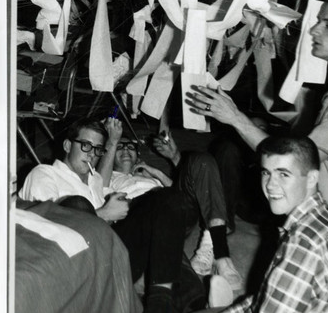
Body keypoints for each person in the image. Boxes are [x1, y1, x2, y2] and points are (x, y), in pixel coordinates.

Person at [187, 0, 328, 246]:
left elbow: (291, 161)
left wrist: (234, 117)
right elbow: (283, 108)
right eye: (318, 21)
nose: (314, 30)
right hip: (324, 219)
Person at [19, 117, 187, 313]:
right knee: (78, 205)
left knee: (166, 199)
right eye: (86, 146)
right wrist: (102, 214)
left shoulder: (95, 180)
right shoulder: (43, 174)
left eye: (98, 149)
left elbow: (109, 207)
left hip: (110, 256)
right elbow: (47, 227)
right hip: (75, 266)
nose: (92, 154)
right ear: (68, 145)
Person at [181, 136, 328, 313]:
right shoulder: (324, 217)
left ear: (312, 179)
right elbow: (267, 298)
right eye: (266, 172)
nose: (270, 185)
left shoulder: (304, 246)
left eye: (283, 174)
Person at [97, 124, 243, 292]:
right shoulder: (109, 177)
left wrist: (156, 173)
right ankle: (196, 295)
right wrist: (112, 141)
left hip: (174, 209)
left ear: (137, 156)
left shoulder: (150, 176)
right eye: (120, 147)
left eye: (130, 146)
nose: (125, 149)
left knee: (201, 160)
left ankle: (220, 253)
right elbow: (100, 184)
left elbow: (177, 194)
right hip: (141, 217)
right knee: (168, 251)